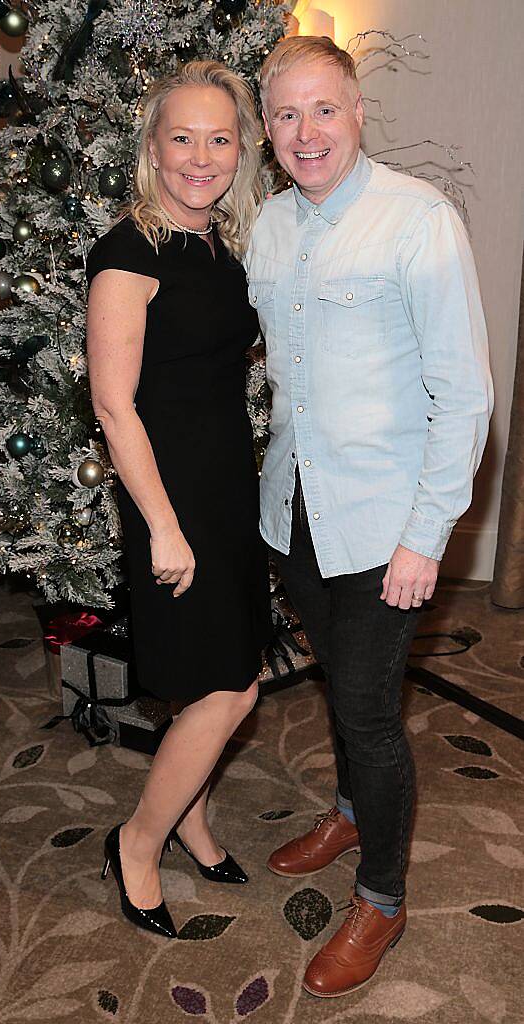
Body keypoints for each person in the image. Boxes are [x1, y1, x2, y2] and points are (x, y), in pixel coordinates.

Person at [246, 36, 493, 997]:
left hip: (388, 527)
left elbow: (463, 397)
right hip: (297, 512)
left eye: (324, 109)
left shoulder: (415, 221)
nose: (306, 131)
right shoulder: (265, 226)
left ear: (357, 113)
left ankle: (381, 902)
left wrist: (425, 537)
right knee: (338, 689)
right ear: (267, 131)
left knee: (364, 708)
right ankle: (349, 807)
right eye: (285, 114)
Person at [86, 61, 272, 938]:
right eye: (182, 138)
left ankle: (192, 819)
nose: (201, 156)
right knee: (226, 692)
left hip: (225, 486)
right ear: (152, 149)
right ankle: (137, 839)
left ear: (241, 149)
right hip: (172, 499)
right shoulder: (130, 248)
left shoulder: (215, 244)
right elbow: (112, 405)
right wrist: (161, 525)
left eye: (219, 138)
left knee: (228, 680)